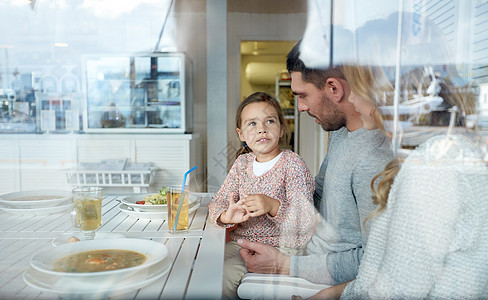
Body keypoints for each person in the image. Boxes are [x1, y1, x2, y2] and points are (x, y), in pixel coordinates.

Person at [237, 41, 394, 286]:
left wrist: (282, 264)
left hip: (315, 272)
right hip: (302, 247)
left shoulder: (372, 160)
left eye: (303, 95)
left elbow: (377, 262)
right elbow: (316, 197)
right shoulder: (342, 133)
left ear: (333, 89)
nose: (300, 107)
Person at [207, 91, 317, 299]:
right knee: (205, 264)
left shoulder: (292, 164)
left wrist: (273, 206)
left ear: (282, 128)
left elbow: (305, 221)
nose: (262, 130)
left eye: (269, 121)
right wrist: (225, 216)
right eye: (252, 124)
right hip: (242, 242)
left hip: (281, 248)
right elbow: (218, 201)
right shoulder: (242, 164)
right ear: (241, 134)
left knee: (225, 275)